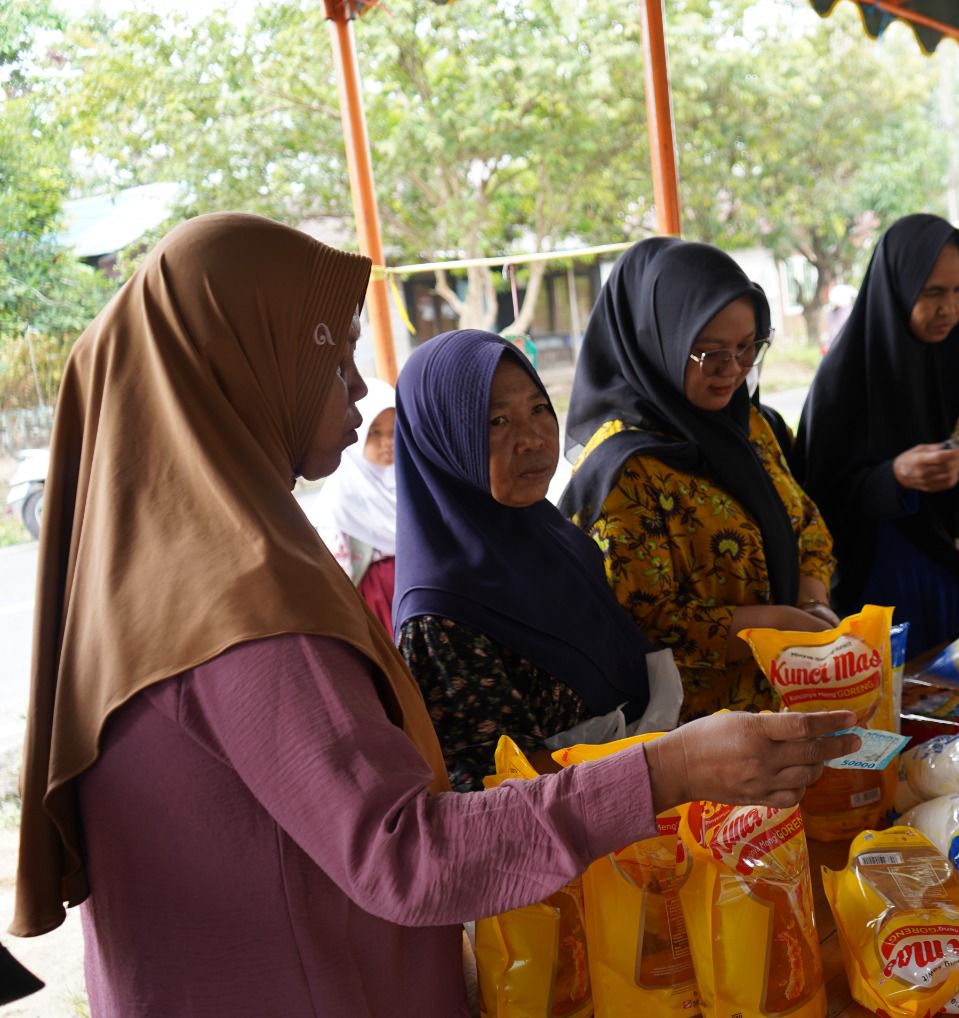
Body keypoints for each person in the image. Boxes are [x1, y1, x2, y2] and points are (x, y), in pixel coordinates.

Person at [11, 212, 859, 1015]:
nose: (354, 386)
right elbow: (407, 854)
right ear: (246, 360)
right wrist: (668, 771)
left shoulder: (154, 566)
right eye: (332, 355)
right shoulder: (242, 602)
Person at [560, 239, 837, 721]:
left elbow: (804, 519)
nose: (733, 371)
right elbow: (647, 619)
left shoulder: (747, 425)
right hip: (700, 735)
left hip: (788, 698)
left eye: (748, 348)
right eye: (710, 354)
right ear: (660, 342)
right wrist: (771, 626)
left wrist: (812, 600)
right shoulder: (625, 470)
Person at [393, 329, 661, 792]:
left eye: (539, 409)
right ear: (442, 439)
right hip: (580, 834)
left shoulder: (552, 533)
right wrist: (664, 773)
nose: (533, 439)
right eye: (497, 421)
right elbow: (499, 785)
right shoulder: (439, 613)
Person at [795, 213, 959, 658]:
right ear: (897, 287)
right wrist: (894, 476)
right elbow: (815, 499)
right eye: (933, 292)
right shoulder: (844, 381)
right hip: (889, 583)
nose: (951, 308)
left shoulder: (957, 361)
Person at [312, 379, 400, 635]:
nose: (388, 443)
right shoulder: (340, 499)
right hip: (376, 607)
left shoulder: (416, 483)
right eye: (375, 432)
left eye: (395, 431)